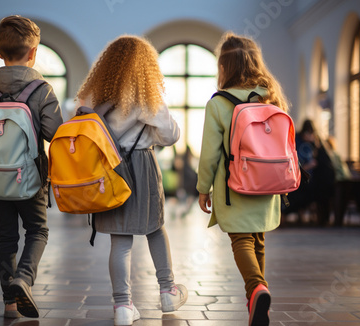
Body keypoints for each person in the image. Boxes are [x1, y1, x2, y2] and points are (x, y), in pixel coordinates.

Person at [77, 35, 187, 326]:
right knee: (155, 228)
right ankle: (167, 292)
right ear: (145, 66)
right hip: (141, 166)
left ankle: (123, 307)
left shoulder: (97, 97)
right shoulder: (145, 95)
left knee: (121, 240)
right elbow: (171, 135)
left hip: (110, 169)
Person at [0, 15, 63, 319]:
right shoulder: (42, 90)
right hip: (30, 176)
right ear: (34, 52)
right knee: (37, 230)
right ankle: (24, 278)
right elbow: (55, 134)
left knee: (5, 236)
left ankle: (9, 303)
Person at [197, 32, 289, 326]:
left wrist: (203, 188)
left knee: (241, 240)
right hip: (270, 183)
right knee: (258, 239)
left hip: (234, 186)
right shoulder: (271, 96)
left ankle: (256, 289)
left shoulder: (219, 104)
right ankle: (257, 304)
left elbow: (210, 154)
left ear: (224, 66)